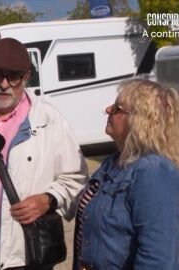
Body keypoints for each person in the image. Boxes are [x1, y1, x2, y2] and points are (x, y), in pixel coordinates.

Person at [0, 37, 88, 270]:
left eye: (13, 77)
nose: (3, 84)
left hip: (25, 252)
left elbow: (77, 178)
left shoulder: (49, 120)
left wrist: (48, 199)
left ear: (26, 78)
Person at [73, 78, 179, 270]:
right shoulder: (113, 162)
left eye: (117, 108)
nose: (107, 110)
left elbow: (158, 259)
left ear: (139, 120)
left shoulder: (153, 172)